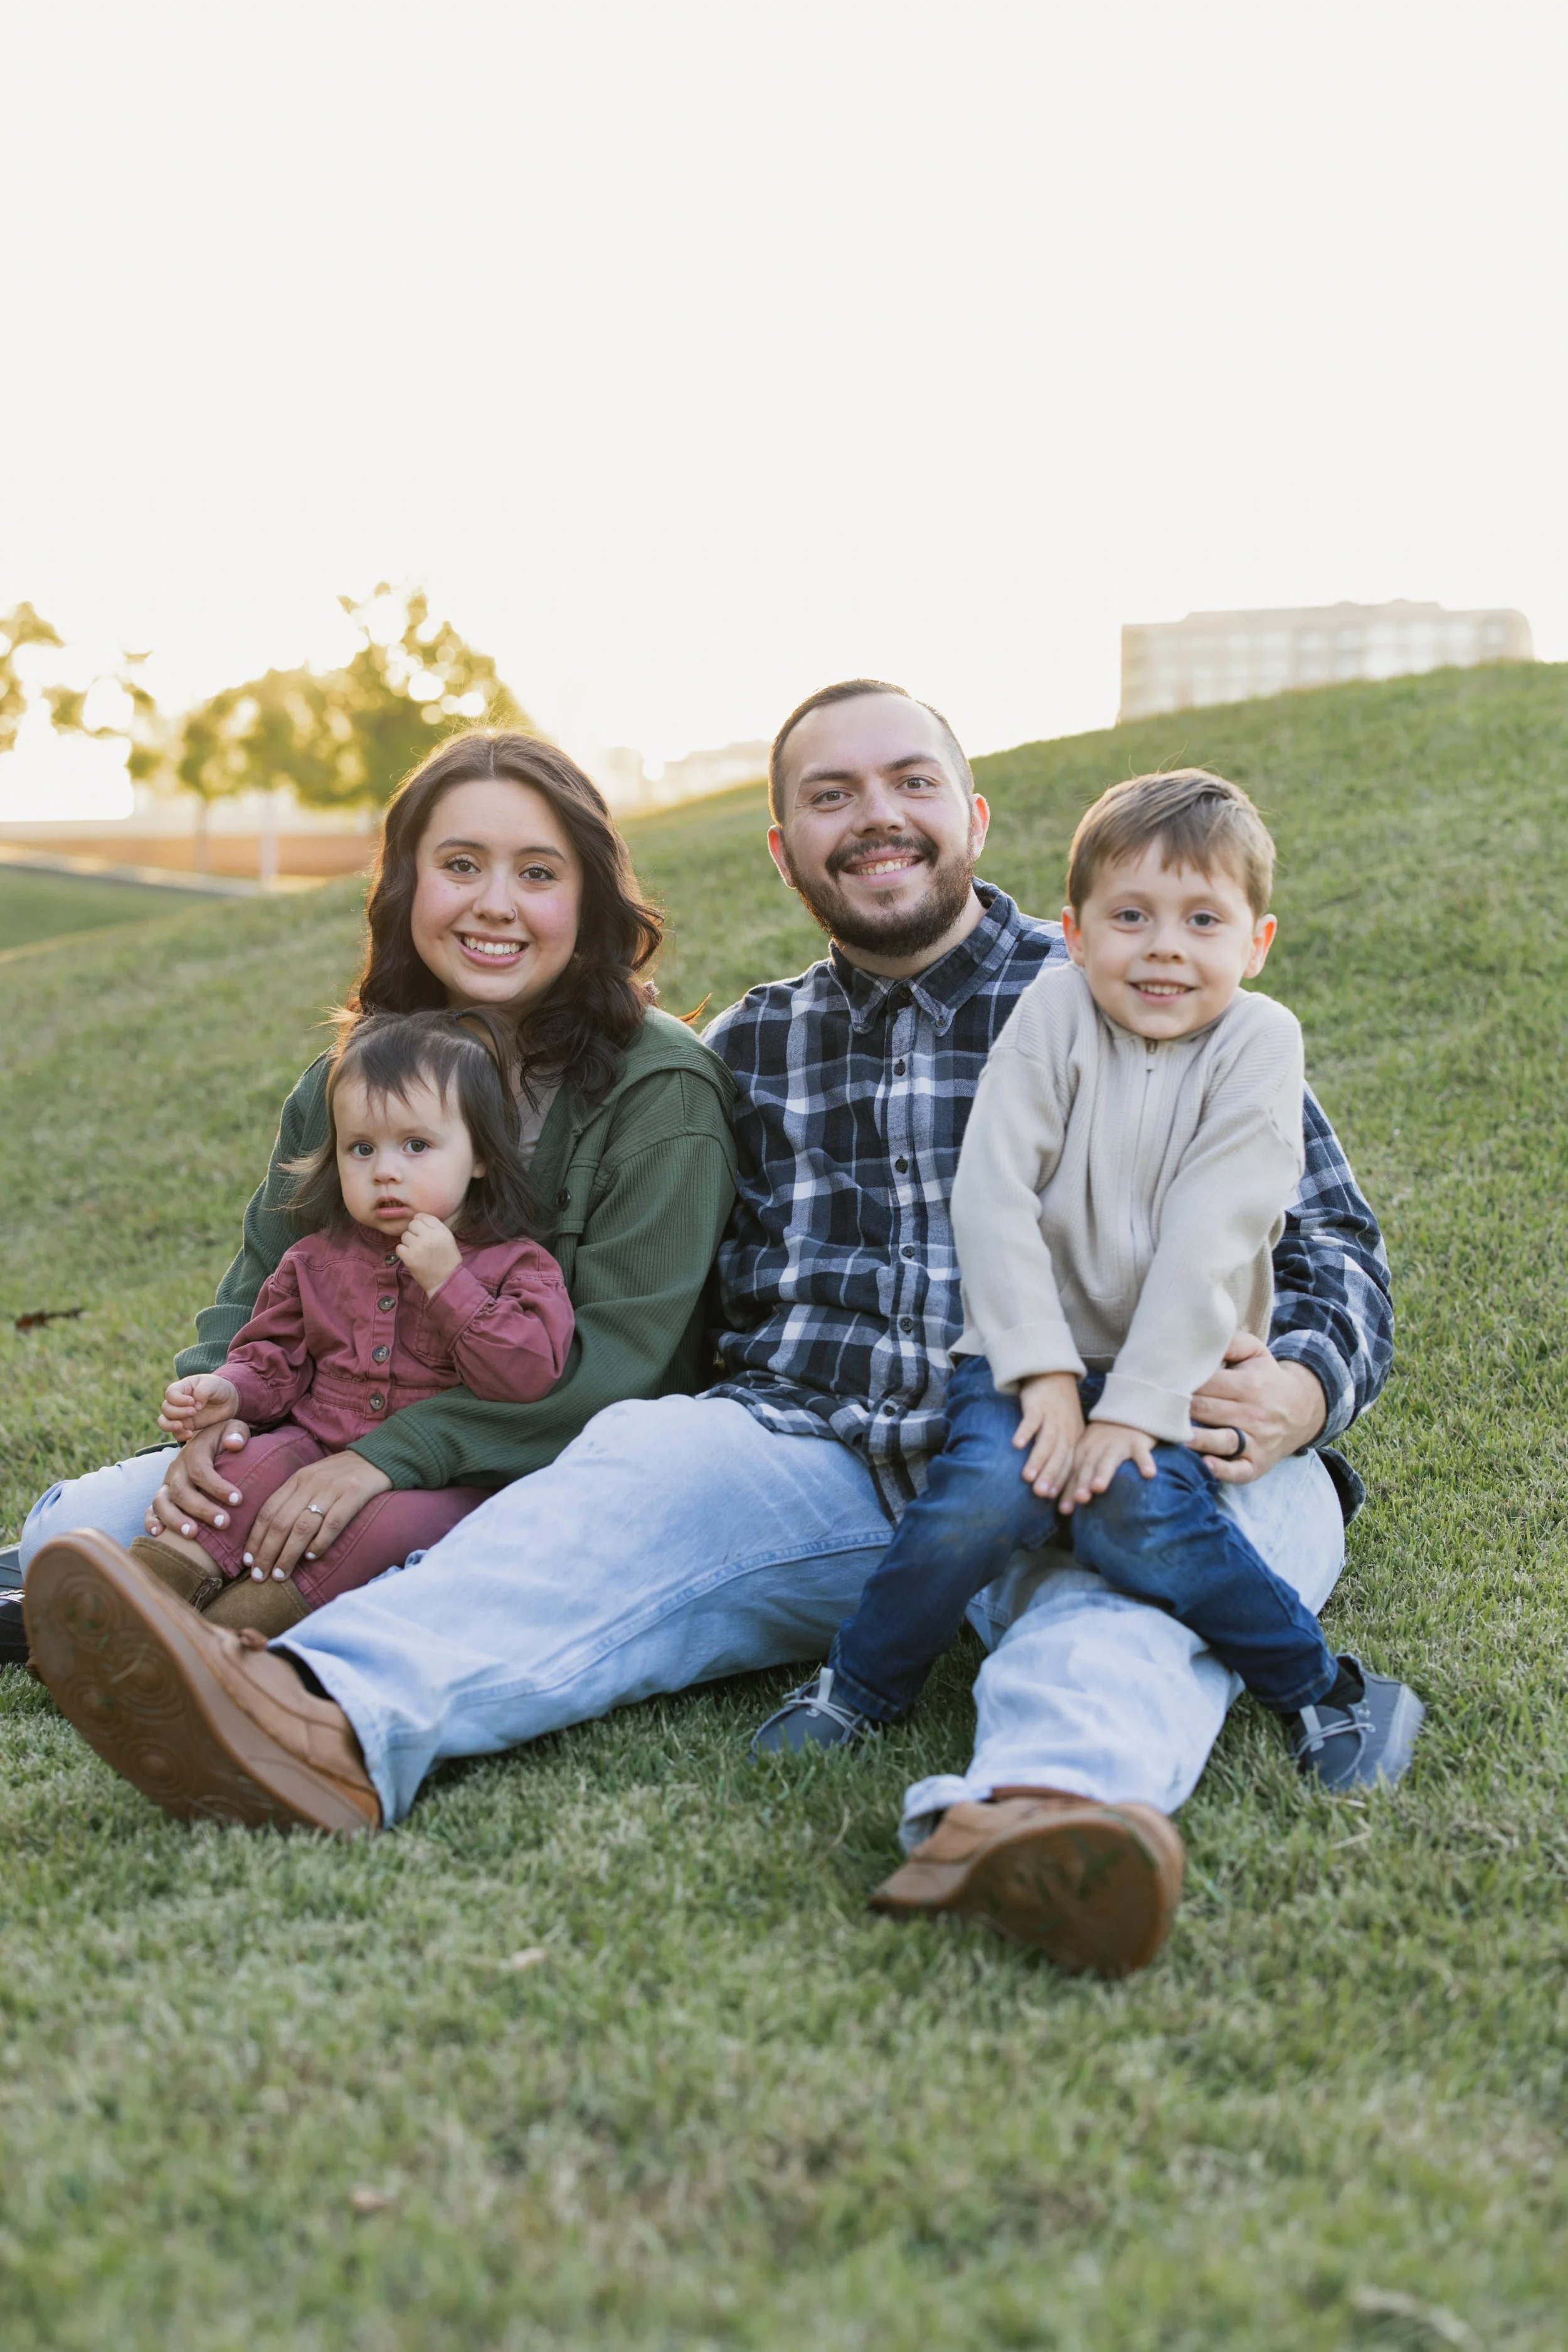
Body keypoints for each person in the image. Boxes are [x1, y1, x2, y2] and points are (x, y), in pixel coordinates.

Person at [24, 682, 1393, 1979]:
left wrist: (1303, 1386)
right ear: (785, 846)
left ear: (974, 819)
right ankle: (317, 1718)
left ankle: (1037, 1816)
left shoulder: (1148, 983)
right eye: (829, 794)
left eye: (913, 782)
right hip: (830, 1463)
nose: (877, 816)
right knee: (633, 1469)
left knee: (1129, 1601)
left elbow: (1331, 1242)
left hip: (1151, 1436)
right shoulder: (750, 1047)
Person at [751, 769, 1423, 1788]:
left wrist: (1133, 1413)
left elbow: (1211, 1235)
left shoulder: (1259, 1042)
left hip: (1177, 1365)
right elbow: (993, 1197)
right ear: (1074, 931)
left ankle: (1320, 1690)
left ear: (1257, 941)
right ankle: (861, 1685)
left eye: (1203, 919)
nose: (1163, 946)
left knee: (1141, 1518)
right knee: (980, 1496)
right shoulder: (1055, 1012)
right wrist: (1048, 1381)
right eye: (1130, 916)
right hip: (1026, 1355)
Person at [19, 726, 736, 1599]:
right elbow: (264, 1277)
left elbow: (620, 1366)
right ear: (406, 884)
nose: (496, 903)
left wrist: (385, 1460)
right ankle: (129, 1608)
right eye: (461, 864)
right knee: (66, 1525)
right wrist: (216, 1406)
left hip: (548, 1463)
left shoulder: (661, 1089)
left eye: (538, 872)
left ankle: (231, 1630)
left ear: (587, 900)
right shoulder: (353, 1077)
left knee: (354, 1541)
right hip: (329, 1429)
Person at [140, 1009, 575, 1633]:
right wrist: (228, 1389)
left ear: (480, 1155)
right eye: (361, 1148)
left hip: (440, 1482)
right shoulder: (317, 1259)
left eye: (416, 1146)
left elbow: (526, 1375)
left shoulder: (518, 1266)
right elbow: (274, 1361)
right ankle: (132, 1600)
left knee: (371, 1531)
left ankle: (223, 1640)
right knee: (243, 1471)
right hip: (316, 1439)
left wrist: (449, 1284)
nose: (385, 1170)